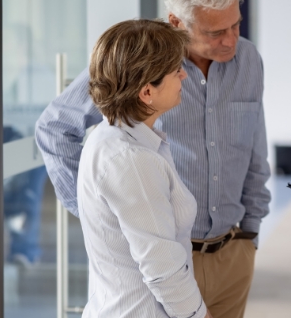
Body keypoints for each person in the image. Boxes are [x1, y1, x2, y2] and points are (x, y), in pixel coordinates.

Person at [35, 0, 270, 318]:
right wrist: (98, 214)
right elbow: (55, 128)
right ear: (177, 23)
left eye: (236, 24)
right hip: (162, 263)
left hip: (231, 254)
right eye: (214, 32)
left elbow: (255, 147)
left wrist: (250, 234)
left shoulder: (249, 60)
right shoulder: (137, 60)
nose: (231, 39)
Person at [79, 19, 209, 318]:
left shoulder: (112, 138)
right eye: (175, 71)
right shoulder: (131, 160)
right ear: (147, 92)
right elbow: (162, 267)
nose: (184, 75)